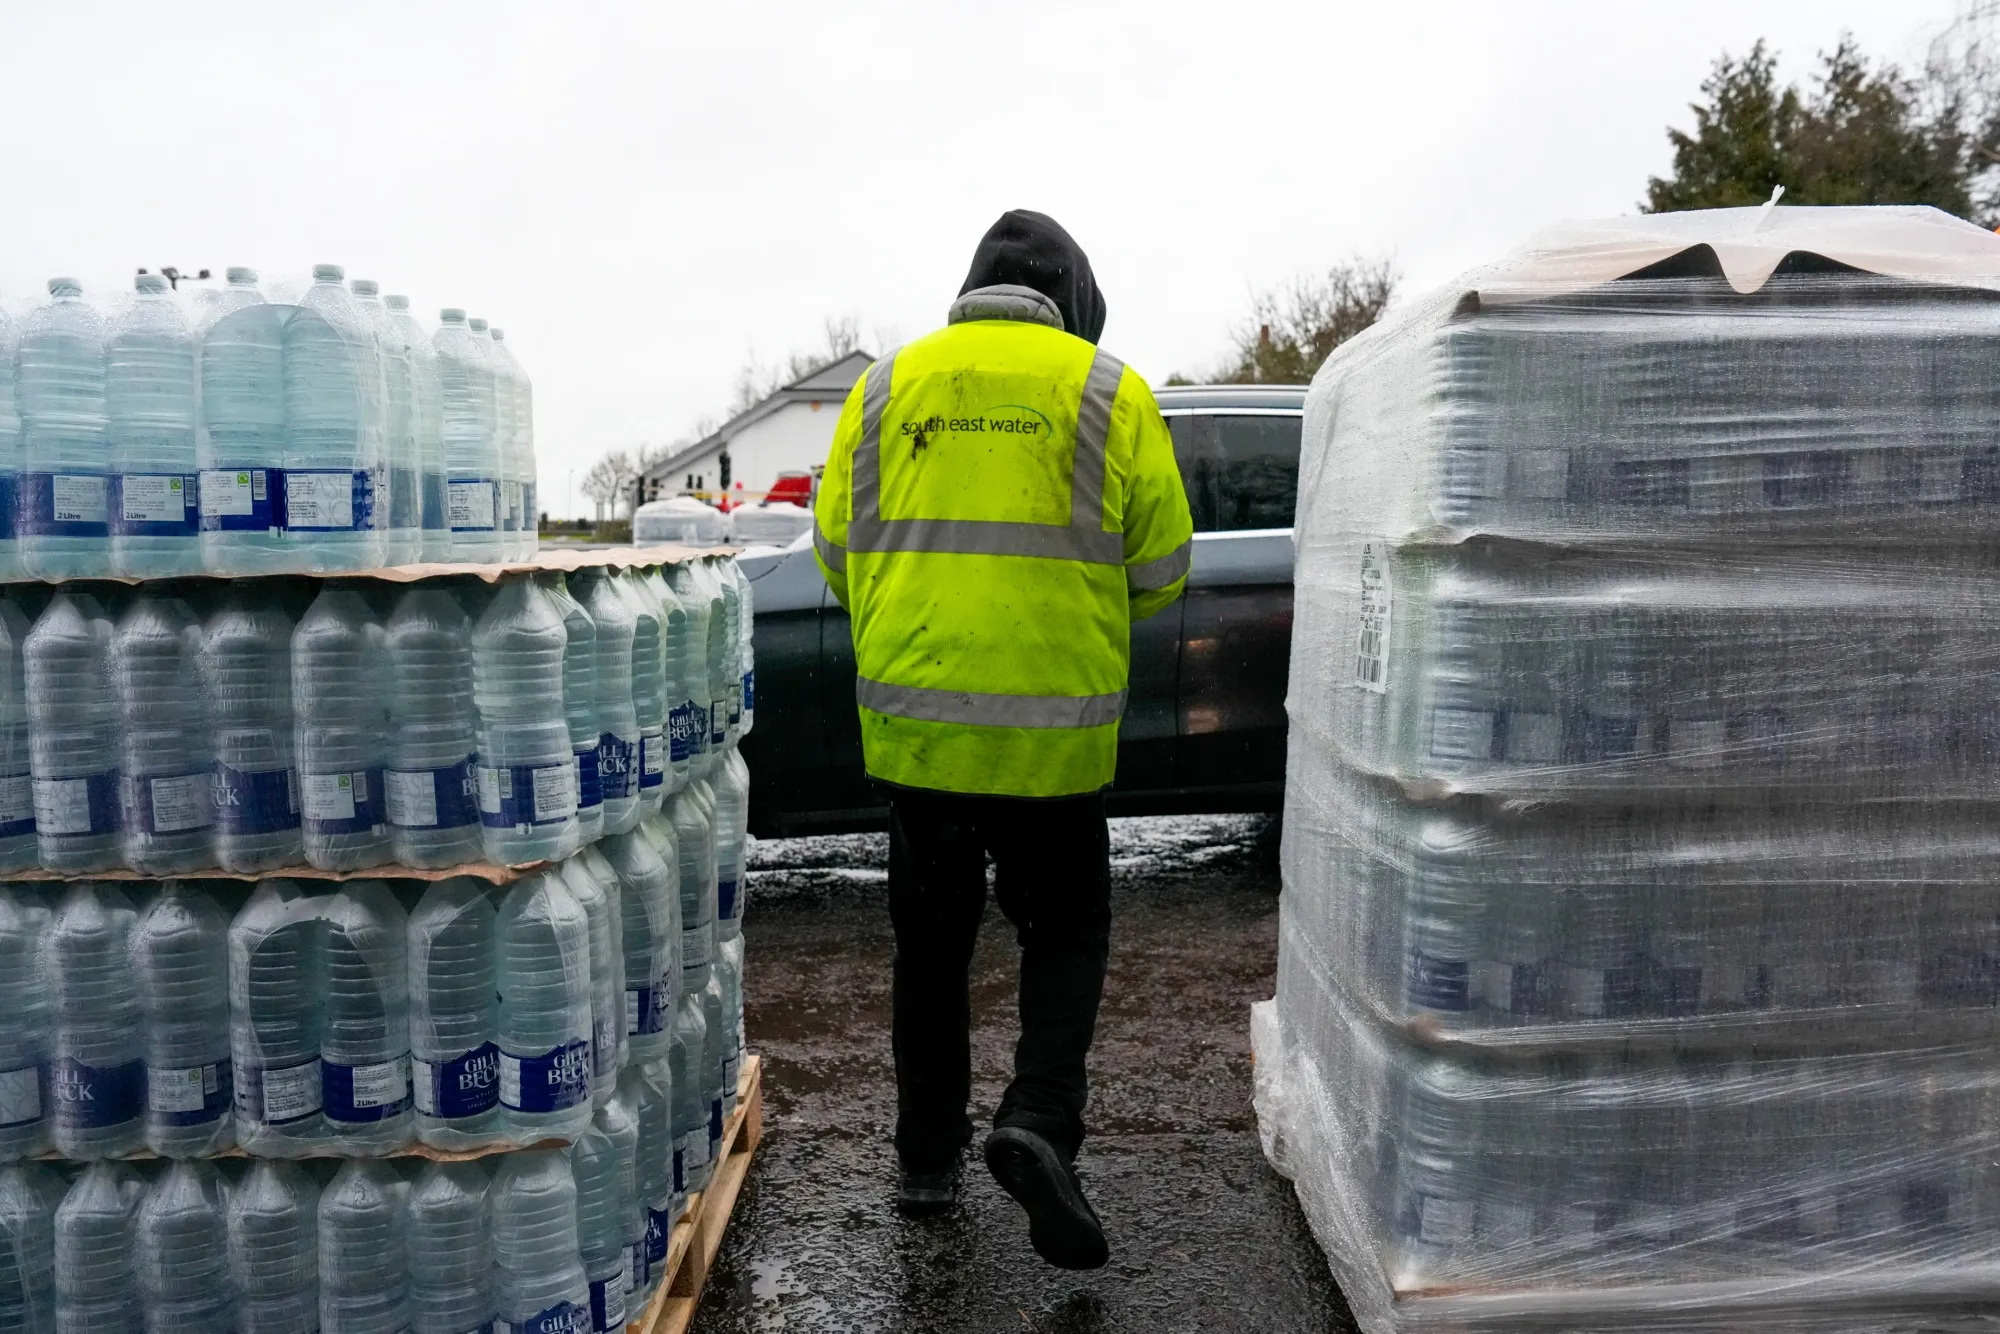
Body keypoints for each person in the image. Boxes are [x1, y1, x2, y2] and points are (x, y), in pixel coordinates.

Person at [811, 210, 1193, 1270]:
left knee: (929, 951)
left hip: (920, 735)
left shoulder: (885, 387)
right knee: (1063, 931)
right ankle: (1035, 1118)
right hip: (1052, 743)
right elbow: (1162, 569)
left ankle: (926, 1159)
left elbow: (837, 554)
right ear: (1069, 302)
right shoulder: (1108, 390)